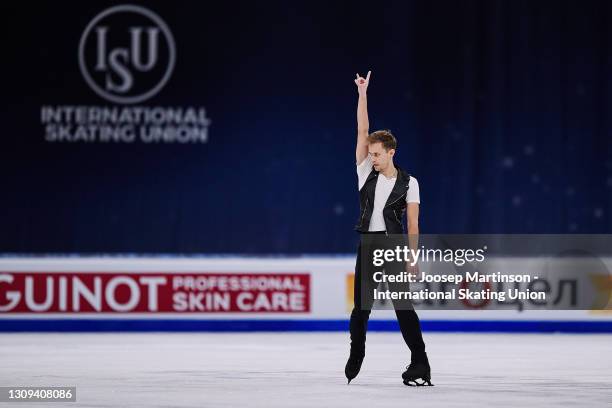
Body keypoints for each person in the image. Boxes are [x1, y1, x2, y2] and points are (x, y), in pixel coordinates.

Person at [345, 71, 433, 386]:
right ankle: (357, 352)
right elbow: (362, 129)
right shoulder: (365, 172)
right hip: (368, 245)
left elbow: (413, 223)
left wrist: (412, 258)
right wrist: (362, 94)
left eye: (378, 154)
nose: (373, 158)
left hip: (394, 248)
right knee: (361, 307)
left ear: (391, 152)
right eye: (371, 154)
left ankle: (420, 362)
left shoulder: (411, 183)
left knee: (403, 307)